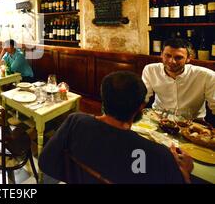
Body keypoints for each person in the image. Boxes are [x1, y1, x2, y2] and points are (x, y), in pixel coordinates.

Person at [39, 71, 193, 184]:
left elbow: (45, 162)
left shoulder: (76, 121)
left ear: (103, 100)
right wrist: (185, 170)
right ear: (141, 107)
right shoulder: (159, 154)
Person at [142, 38, 215, 120]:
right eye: (168, 55)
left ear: (188, 58)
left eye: (178, 57)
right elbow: (142, 98)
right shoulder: (150, 70)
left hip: (192, 124)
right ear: (161, 54)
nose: (172, 61)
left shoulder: (207, 76)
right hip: (159, 119)